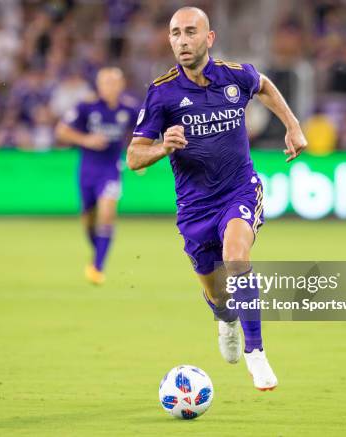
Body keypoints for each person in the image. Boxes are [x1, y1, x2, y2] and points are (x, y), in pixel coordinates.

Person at [126, 7, 307, 390]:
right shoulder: (162, 93)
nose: (181, 40)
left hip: (239, 189)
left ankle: (256, 354)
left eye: (190, 32)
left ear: (209, 38)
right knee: (215, 290)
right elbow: (133, 156)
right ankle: (225, 319)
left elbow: (265, 86)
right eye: (175, 33)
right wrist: (162, 147)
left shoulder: (235, 76)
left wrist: (292, 126)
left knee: (237, 255)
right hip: (195, 209)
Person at [57, 67, 138, 284]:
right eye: (106, 83)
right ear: (99, 86)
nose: (110, 87)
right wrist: (86, 140)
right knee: (88, 221)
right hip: (87, 171)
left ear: (121, 85)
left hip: (111, 170)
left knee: (107, 212)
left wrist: (140, 156)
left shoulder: (129, 109)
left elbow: (143, 132)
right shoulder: (86, 106)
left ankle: (97, 267)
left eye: (114, 82)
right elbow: (61, 130)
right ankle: (99, 250)